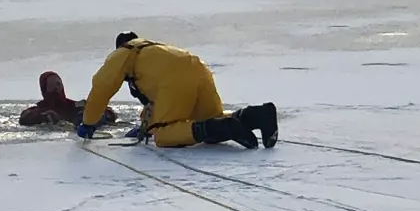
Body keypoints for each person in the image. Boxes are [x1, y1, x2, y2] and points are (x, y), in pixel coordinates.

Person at [74, 32, 278, 149]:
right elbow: (158, 101)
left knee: (163, 134)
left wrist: (89, 122)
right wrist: (146, 120)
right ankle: (256, 115)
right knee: (209, 117)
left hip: (174, 80)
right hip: (198, 68)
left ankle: (224, 127)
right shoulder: (153, 50)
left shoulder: (122, 54)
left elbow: (102, 88)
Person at [19, 70, 114, 129]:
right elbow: (24, 118)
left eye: (58, 84)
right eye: (51, 86)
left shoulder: (75, 105)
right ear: (45, 89)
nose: (56, 88)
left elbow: (107, 111)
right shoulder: (41, 109)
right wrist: (42, 117)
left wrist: (93, 115)